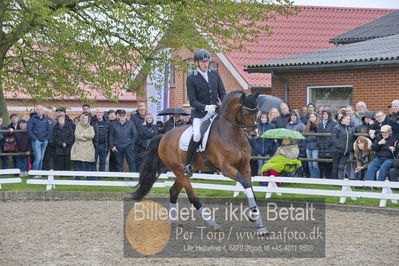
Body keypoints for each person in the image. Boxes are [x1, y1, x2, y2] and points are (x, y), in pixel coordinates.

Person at [184, 49, 226, 177]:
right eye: (202, 62)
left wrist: (225, 104)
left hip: (216, 112)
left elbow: (222, 93)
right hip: (200, 114)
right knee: (196, 135)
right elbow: (192, 101)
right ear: (197, 63)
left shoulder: (215, 75)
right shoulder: (191, 78)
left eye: (207, 61)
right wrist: (206, 107)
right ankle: (187, 164)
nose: (205, 64)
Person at [71, 114, 95, 178]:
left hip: (88, 148)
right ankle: (77, 179)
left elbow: (92, 136)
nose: (85, 120)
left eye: (86, 118)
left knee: (88, 164)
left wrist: (83, 134)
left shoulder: (91, 127)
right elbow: (77, 135)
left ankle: (89, 179)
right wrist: (85, 139)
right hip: (78, 148)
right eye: (84, 118)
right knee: (78, 164)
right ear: (82, 119)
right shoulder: (78, 127)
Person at [27, 104, 50, 172]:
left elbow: (48, 129)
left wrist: (47, 138)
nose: (40, 111)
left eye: (41, 109)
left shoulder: (45, 119)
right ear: (36, 110)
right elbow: (29, 131)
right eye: (38, 109)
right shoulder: (32, 119)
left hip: (44, 141)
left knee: (41, 159)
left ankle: (39, 173)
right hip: (36, 141)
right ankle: (34, 173)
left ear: (43, 110)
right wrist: (35, 139)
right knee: (38, 158)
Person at [331, 114, 354, 179]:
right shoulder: (336, 128)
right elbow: (333, 139)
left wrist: (350, 148)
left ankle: (340, 182)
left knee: (341, 167)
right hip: (337, 151)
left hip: (346, 152)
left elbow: (351, 140)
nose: (349, 121)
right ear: (342, 120)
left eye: (349, 119)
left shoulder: (349, 129)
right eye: (347, 119)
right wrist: (339, 146)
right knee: (335, 166)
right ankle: (335, 182)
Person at [317, 109, 337, 179]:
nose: (325, 116)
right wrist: (319, 144)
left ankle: (329, 180)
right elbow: (318, 136)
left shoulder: (334, 123)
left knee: (329, 165)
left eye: (326, 114)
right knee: (321, 165)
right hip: (321, 147)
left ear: (329, 115)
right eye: (324, 114)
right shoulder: (320, 123)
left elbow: (334, 135)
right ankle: (321, 180)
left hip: (329, 148)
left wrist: (330, 144)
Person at [130, 103, 147, 170]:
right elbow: (132, 129)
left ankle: (142, 173)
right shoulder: (134, 117)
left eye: (143, 109)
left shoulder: (148, 116)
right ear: (138, 110)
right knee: (134, 159)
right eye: (140, 109)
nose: (142, 110)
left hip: (145, 142)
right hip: (136, 142)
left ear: (145, 109)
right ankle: (135, 175)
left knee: (144, 159)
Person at [304, 112, 320, 178]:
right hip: (308, 147)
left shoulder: (318, 125)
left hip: (315, 147)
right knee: (310, 164)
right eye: (311, 117)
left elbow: (318, 137)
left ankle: (317, 178)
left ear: (316, 117)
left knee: (314, 164)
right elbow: (305, 137)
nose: (312, 118)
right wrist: (309, 139)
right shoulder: (307, 126)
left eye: (313, 117)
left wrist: (312, 138)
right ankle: (312, 178)